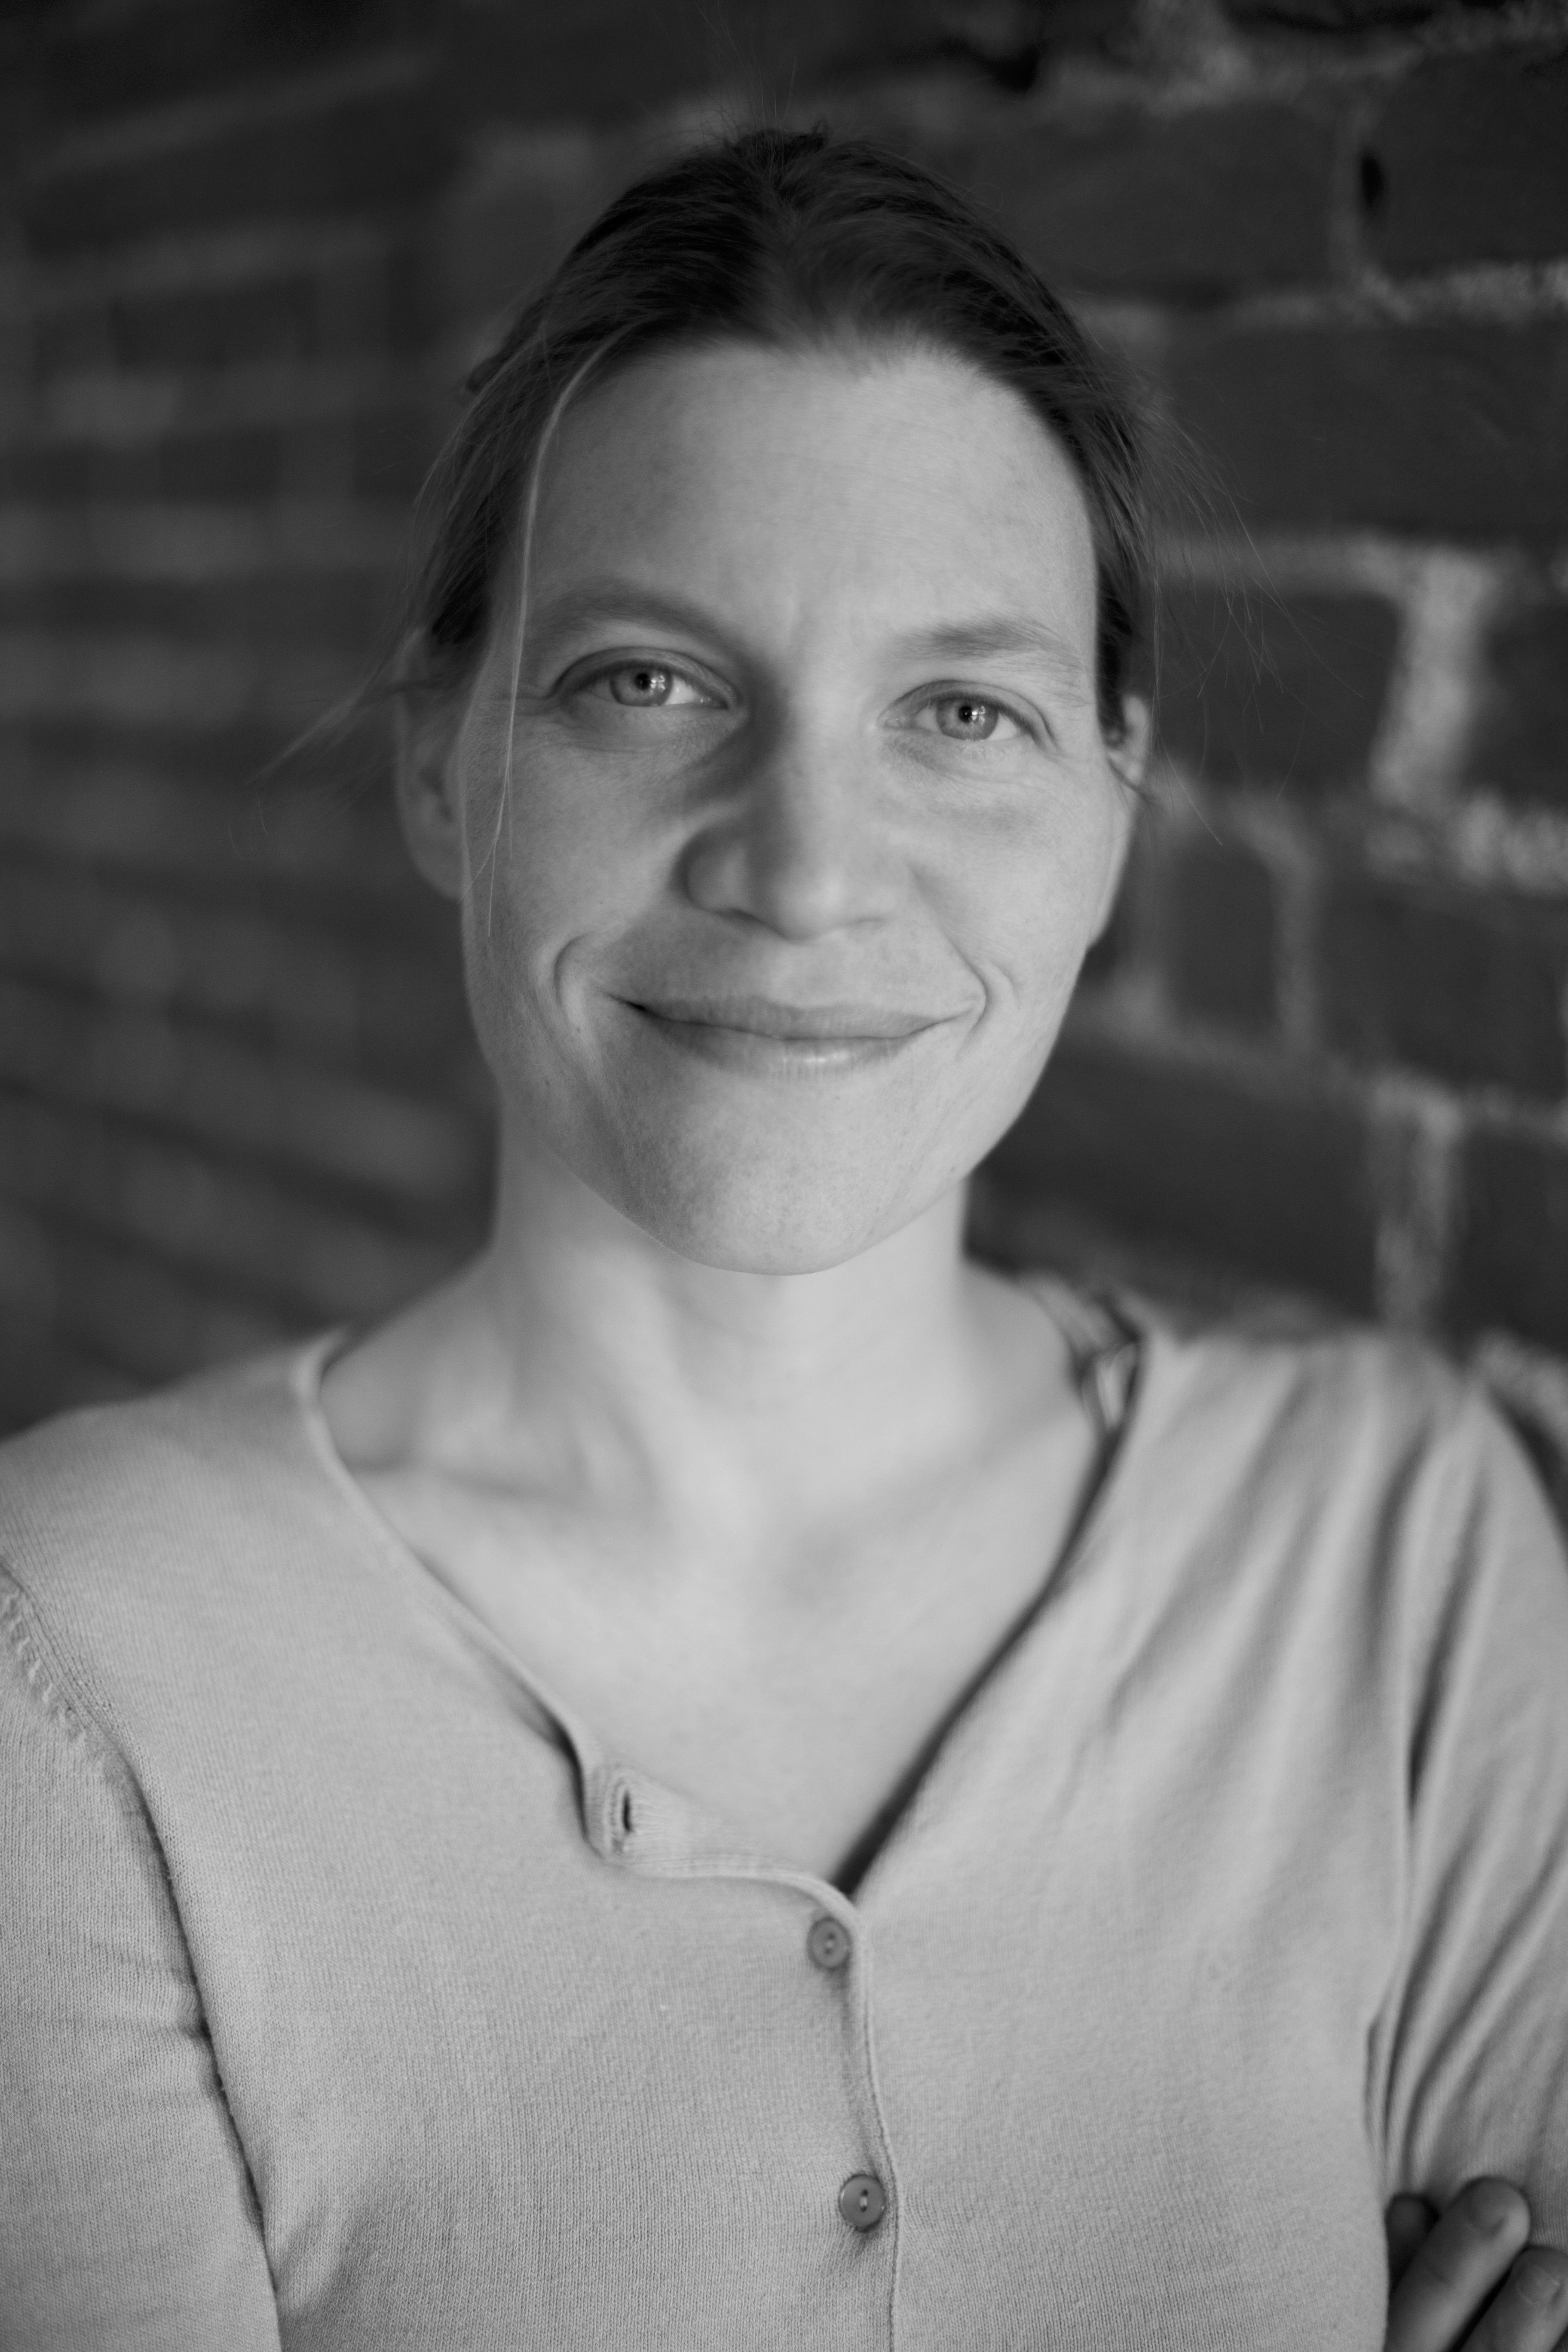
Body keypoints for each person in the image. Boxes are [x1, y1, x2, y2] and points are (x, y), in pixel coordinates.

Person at [2, 126, 1566, 2351]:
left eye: (963, 713)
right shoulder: (78, 1670)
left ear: (1114, 802)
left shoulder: (1399, 1555)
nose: (809, 869)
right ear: (443, 765)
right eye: (649, 681)